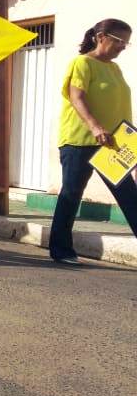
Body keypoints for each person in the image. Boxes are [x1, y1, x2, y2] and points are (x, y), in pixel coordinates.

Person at [49, 19, 135, 265]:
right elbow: (77, 97)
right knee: (71, 194)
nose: (122, 47)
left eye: (126, 43)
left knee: (130, 196)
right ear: (101, 36)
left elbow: (118, 107)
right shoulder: (82, 63)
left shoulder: (115, 69)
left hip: (112, 144)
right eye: (119, 41)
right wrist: (95, 126)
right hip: (80, 140)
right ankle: (61, 250)